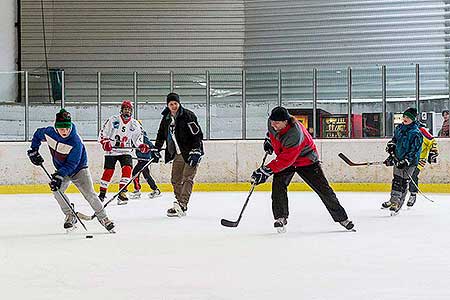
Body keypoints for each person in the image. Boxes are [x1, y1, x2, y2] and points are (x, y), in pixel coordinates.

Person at [250, 106, 354, 233]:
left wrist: (265, 170)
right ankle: (280, 217)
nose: (273, 125)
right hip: (285, 157)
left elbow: (287, 160)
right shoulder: (272, 123)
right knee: (278, 185)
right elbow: (272, 134)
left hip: (306, 160)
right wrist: (269, 141)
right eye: (272, 122)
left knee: (323, 189)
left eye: (277, 123)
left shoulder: (295, 133)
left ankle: (342, 218)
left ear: (285, 122)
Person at [27, 108, 115, 232]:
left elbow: (72, 164)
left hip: (79, 170)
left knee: (90, 195)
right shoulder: (49, 133)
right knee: (56, 191)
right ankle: (70, 214)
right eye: (62, 129)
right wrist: (34, 150)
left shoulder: (75, 141)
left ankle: (104, 218)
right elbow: (37, 134)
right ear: (56, 128)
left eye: (67, 128)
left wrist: (59, 175)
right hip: (61, 169)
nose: (65, 131)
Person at [154, 92, 204, 217]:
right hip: (177, 153)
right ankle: (179, 203)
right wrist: (156, 149)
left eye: (175, 103)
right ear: (168, 105)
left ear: (179, 103)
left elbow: (197, 134)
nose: (174, 106)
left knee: (187, 177)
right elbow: (161, 135)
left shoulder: (188, 115)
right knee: (175, 179)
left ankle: (183, 204)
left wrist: (196, 150)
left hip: (191, 152)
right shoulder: (166, 118)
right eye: (171, 104)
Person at [98, 100, 149, 205]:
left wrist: (141, 146)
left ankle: (122, 194)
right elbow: (103, 133)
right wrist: (105, 142)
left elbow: (138, 140)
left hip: (126, 151)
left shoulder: (135, 124)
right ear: (121, 110)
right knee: (108, 172)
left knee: (127, 170)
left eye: (129, 110)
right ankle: (102, 194)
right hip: (112, 151)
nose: (127, 111)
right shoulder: (113, 120)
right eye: (125, 109)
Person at [381, 108, 423, 215]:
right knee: (397, 180)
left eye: (408, 117)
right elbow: (395, 140)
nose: (405, 119)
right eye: (404, 116)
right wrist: (391, 147)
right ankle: (394, 201)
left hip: (410, 162)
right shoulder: (399, 128)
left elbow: (415, 150)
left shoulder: (416, 133)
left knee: (404, 182)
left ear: (413, 119)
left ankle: (399, 204)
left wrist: (407, 160)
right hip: (398, 158)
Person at [406, 123, 438, 207]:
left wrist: (433, 151)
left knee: (413, 174)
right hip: (409, 158)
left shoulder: (422, 130)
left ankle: (413, 194)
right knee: (402, 175)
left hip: (420, 159)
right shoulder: (406, 131)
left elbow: (432, 140)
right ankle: (397, 197)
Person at [129, 122, 162, 199]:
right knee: (146, 174)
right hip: (142, 159)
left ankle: (137, 190)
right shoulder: (134, 136)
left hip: (144, 159)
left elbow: (149, 144)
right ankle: (155, 190)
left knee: (135, 173)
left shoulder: (142, 135)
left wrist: (155, 151)